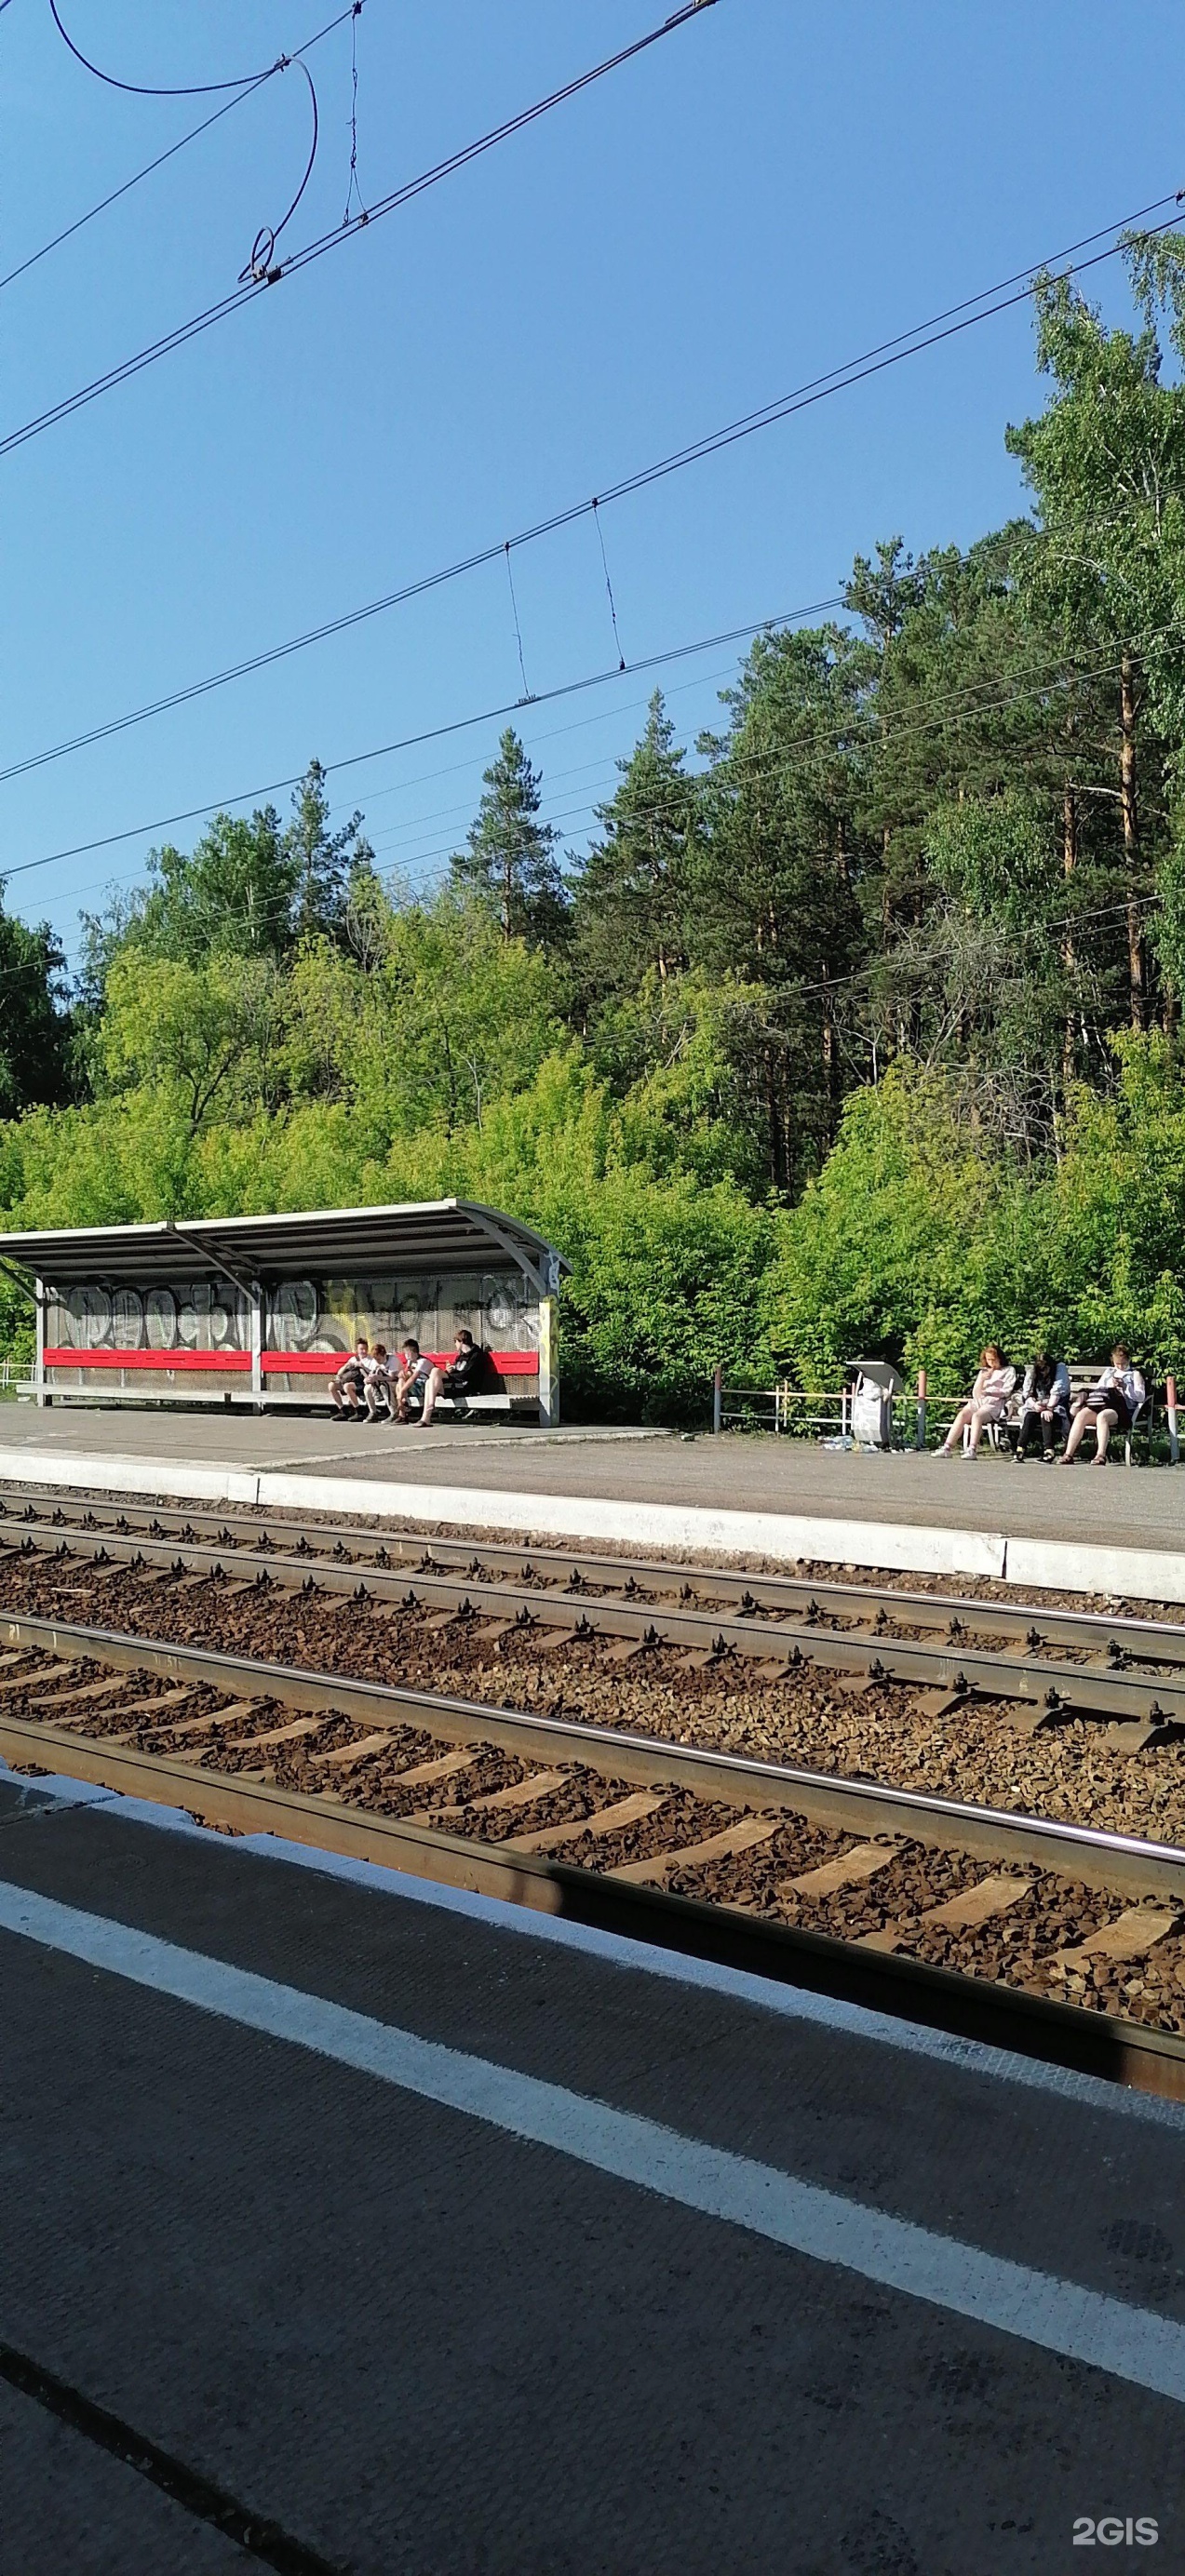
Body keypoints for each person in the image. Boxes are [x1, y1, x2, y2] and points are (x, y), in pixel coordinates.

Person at [1059, 1346, 1146, 1465]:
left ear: (1128, 1360)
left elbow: (1141, 1397)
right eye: (1117, 1364)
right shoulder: (1109, 1372)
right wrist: (1110, 1385)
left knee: (1103, 1417)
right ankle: (1068, 1454)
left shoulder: (1134, 1374)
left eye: (1123, 1364)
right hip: (1102, 1404)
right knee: (1082, 1415)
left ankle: (1100, 1455)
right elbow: (1099, 1390)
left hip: (1122, 1409)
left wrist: (1125, 1388)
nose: (1120, 1367)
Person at [935, 1345, 1017, 1457]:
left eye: (994, 1360)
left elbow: (1007, 1391)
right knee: (963, 1414)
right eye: (988, 1360)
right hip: (979, 1400)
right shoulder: (983, 1372)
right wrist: (982, 1379)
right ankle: (947, 1447)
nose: (991, 1363)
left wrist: (991, 1392)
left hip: (995, 1402)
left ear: (1000, 1358)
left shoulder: (1008, 1370)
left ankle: (972, 1448)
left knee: (977, 1416)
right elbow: (976, 1393)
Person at [418, 1327, 492, 1428]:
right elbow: (459, 1372)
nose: (455, 1345)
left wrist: (449, 1375)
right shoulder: (460, 1357)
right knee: (429, 1381)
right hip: (456, 1384)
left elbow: (466, 1374)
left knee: (435, 1372)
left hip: (466, 1387)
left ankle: (427, 1413)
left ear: (461, 1341)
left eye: (456, 1342)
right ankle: (426, 1416)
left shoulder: (476, 1355)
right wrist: (451, 1371)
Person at [1011, 1352, 1071, 1462]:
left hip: (1057, 1408)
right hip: (1038, 1407)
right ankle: (1020, 1450)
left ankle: (1049, 1451)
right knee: (1029, 1416)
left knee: (1045, 1416)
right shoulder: (1033, 1373)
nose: (1043, 1372)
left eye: (1045, 1368)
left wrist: (1049, 1408)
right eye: (1040, 1369)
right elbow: (1027, 1394)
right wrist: (1034, 1404)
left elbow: (1057, 1393)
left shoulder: (1059, 1370)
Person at [329, 1336, 370, 1420]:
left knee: (347, 1386)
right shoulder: (353, 1359)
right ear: (357, 1350)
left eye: (365, 1349)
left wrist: (363, 1367)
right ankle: (343, 1411)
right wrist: (346, 1366)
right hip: (349, 1381)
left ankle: (358, 1412)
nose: (363, 1351)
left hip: (361, 1383)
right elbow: (339, 1373)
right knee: (331, 1385)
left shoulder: (370, 1360)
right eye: (361, 1349)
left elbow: (371, 1374)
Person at [393, 1337, 433, 1422]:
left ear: (413, 1352)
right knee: (400, 1382)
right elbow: (408, 1375)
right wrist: (402, 1374)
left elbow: (414, 1378)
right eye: (405, 1353)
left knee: (400, 1388)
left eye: (407, 1353)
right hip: (415, 1385)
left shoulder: (422, 1362)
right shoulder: (410, 1361)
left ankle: (402, 1411)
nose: (406, 1355)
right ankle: (403, 1406)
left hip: (425, 1386)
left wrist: (402, 1392)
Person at [362, 1343, 393, 1423]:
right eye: (375, 1359)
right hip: (381, 1381)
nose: (377, 1361)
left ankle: (393, 1412)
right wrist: (368, 1379)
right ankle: (373, 1412)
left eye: (379, 1359)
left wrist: (379, 1378)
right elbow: (372, 1373)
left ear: (384, 1355)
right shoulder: (375, 1362)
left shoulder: (393, 1360)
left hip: (394, 1382)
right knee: (367, 1388)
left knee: (384, 1386)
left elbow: (393, 1377)